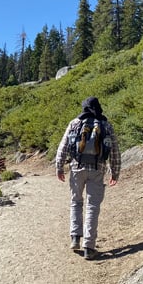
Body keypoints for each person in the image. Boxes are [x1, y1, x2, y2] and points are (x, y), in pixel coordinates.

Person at [56, 96, 121, 260]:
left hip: (77, 168)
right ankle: (89, 247)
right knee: (92, 206)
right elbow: (114, 151)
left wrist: (59, 167)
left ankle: (75, 237)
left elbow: (63, 147)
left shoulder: (75, 123)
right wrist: (115, 172)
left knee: (76, 202)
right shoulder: (106, 125)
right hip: (97, 169)